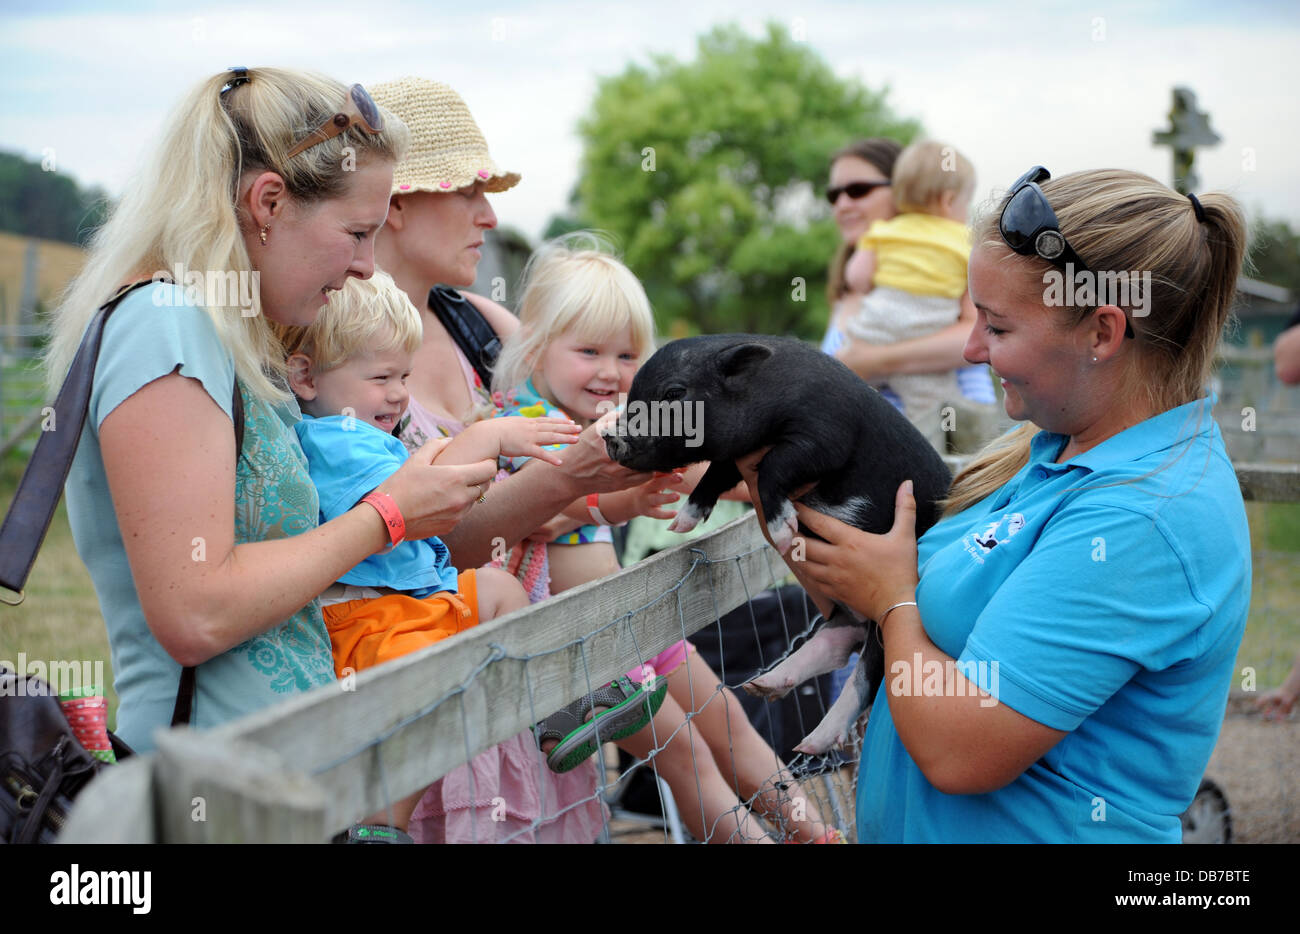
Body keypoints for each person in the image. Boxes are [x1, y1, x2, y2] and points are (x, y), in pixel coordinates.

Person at [757, 167, 1252, 842]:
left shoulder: (1144, 517)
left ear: (1102, 333)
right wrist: (781, 486)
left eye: (995, 326)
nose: (969, 348)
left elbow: (962, 750)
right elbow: (896, 596)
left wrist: (893, 604)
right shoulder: (1054, 452)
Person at [48, 69, 498, 765]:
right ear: (268, 203)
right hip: (216, 790)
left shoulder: (221, 333)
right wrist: (388, 514)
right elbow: (195, 613)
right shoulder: (165, 326)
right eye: (356, 232)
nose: (365, 266)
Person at [370, 77, 654, 843]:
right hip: (429, 707)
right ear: (394, 204)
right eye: (468, 192)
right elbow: (415, 541)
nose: (489, 216)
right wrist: (572, 483)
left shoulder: (482, 327)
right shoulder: (340, 352)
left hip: (517, 693)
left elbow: (546, 486)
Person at [491, 233, 839, 843]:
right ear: (539, 351)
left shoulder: (626, 425)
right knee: (688, 759)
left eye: (628, 357)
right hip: (585, 651)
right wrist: (617, 503)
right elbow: (543, 514)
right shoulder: (526, 429)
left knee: (729, 721)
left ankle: (817, 834)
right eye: (589, 350)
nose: (609, 372)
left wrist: (784, 486)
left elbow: (700, 472)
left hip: (635, 625)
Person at [825, 139, 1000, 453]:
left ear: (900, 188)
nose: (842, 204)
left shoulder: (950, 254)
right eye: (833, 195)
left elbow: (978, 334)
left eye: (858, 190)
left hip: (949, 448)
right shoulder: (848, 287)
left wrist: (868, 361)